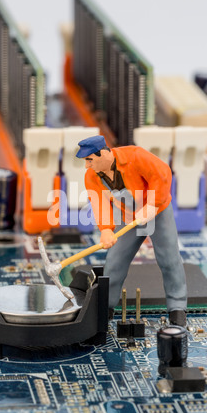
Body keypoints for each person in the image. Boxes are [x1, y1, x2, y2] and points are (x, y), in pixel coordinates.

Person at [76, 135, 187, 326]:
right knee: (114, 262)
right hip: (127, 217)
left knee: (169, 259)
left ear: (102, 154)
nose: (87, 166)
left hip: (157, 213)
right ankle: (106, 307)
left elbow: (162, 174)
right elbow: (99, 203)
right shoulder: (92, 177)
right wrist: (106, 230)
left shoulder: (135, 156)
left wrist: (152, 205)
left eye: (89, 160)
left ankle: (177, 308)